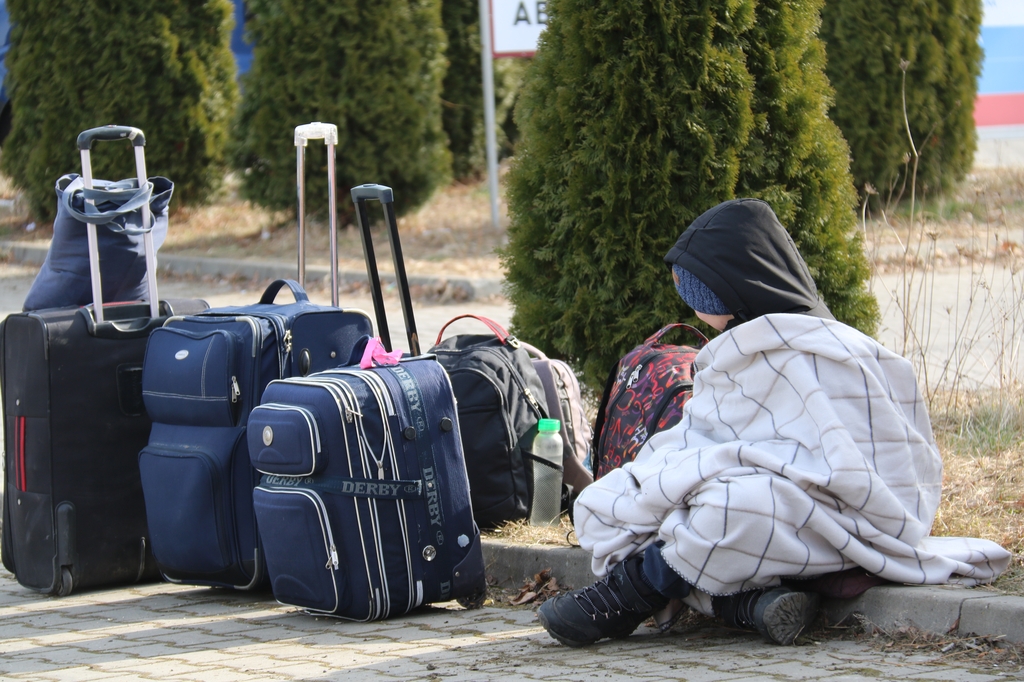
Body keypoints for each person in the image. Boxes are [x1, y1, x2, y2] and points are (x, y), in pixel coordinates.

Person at [538, 198, 1011, 647]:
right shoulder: (732, 353)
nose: (687, 296)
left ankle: (628, 596)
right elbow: (707, 438)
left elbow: (873, 463)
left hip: (836, 515)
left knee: (731, 511)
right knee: (607, 501)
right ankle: (748, 606)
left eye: (696, 285)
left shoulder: (833, 349)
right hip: (766, 497)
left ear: (729, 282)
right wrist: (675, 477)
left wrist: (719, 475)